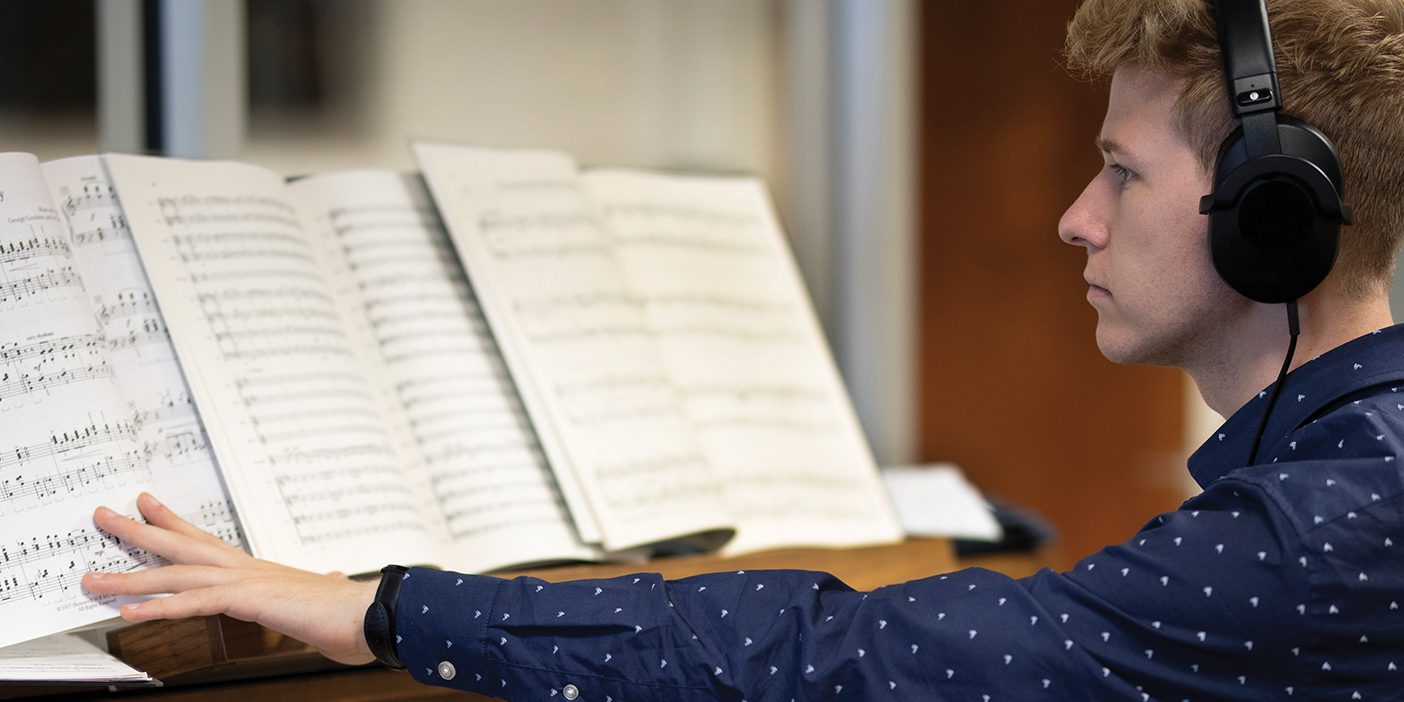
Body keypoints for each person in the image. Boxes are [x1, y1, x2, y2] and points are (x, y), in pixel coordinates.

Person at [83, 0, 1404, 699]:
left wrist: (378, 603)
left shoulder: (1324, 529)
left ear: (1272, 214)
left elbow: (849, 657)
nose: (1075, 214)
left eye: (1120, 171)